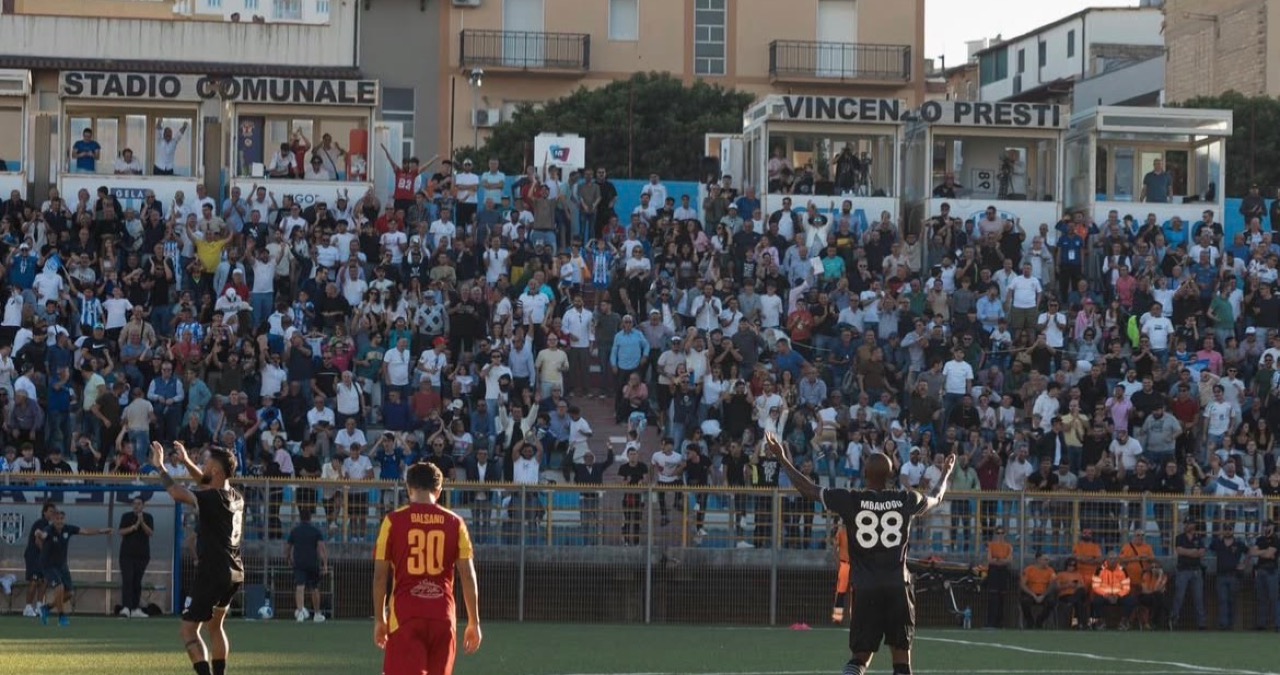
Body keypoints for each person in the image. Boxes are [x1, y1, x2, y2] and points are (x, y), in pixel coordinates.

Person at [767, 433, 954, 675]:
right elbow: (936, 497)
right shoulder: (905, 499)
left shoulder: (849, 499)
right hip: (898, 585)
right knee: (901, 661)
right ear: (890, 475)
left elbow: (808, 490)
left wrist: (782, 459)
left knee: (859, 659)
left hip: (866, 587)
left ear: (865, 474)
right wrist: (947, 472)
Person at [373, 462, 482, 675]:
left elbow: (379, 577)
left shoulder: (393, 521)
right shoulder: (455, 522)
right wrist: (474, 621)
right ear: (439, 491)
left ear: (408, 488)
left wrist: (379, 619)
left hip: (406, 614)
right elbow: (468, 576)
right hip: (443, 615)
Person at [150, 441, 244, 675]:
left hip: (213, 570)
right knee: (215, 626)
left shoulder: (212, 498)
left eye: (207, 461)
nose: (203, 464)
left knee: (188, 630)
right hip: (235, 571)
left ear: (216, 470)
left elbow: (176, 493)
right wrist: (185, 462)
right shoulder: (236, 497)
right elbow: (205, 482)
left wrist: (161, 468)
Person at [35, 510, 113, 626]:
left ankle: (47, 608)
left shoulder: (68, 529)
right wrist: (39, 534)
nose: (60, 521)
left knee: (70, 593)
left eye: (62, 518)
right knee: (59, 586)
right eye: (57, 519)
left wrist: (102, 531)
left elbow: (85, 531)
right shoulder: (49, 529)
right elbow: (43, 535)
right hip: (48, 565)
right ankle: (62, 616)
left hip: (62, 565)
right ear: (53, 520)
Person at [286, 508, 329, 623]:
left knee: (300, 587)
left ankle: (300, 612)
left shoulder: (295, 531)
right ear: (310, 518)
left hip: (299, 562)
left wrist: (288, 559)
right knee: (314, 588)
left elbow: (288, 547)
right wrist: (325, 564)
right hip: (312, 563)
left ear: (300, 518)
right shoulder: (316, 531)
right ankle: (317, 614)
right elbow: (322, 548)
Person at [117, 497, 155, 618]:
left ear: (143, 505)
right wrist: (134, 526)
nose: (136, 506)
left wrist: (142, 522)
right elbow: (121, 531)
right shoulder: (126, 516)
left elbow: (150, 533)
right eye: (134, 504)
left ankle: (135, 608)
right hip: (126, 555)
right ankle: (126, 608)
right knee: (127, 580)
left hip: (142, 555)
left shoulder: (148, 517)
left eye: (139, 504)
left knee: (137, 581)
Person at [22, 501, 56, 617]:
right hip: (34, 555)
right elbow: (38, 541)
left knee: (44, 580)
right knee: (34, 580)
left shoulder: (50, 526)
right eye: (50, 511)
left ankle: (39, 606)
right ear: (44, 512)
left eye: (54, 512)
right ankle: (27, 607)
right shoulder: (41, 523)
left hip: (42, 558)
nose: (52, 514)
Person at [830, 514, 853, 624]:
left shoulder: (844, 532)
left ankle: (841, 617)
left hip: (848, 565)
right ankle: (838, 617)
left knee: (845, 592)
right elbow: (834, 547)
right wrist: (837, 562)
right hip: (847, 564)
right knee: (841, 592)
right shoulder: (843, 532)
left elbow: (835, 548)